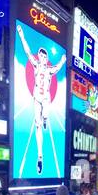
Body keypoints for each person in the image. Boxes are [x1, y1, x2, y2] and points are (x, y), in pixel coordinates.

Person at [16, 24, 67, 177]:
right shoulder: (36, 65)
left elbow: (58, 67)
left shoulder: (50, 70)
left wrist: (64, 60)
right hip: (36, 98)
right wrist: (21, 35)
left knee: (45, 115)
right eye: (41, 55)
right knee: (38, 124)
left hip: (46, 99)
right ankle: (40, 156)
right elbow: (27, 51)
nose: (42, 58)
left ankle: (45, 119)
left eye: (44, 56)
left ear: (47, 58)